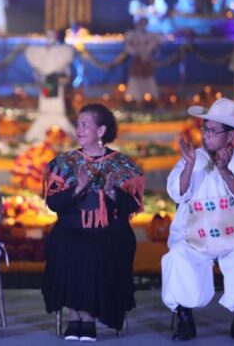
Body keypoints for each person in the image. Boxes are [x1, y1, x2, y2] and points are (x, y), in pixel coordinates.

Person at [162, 98, 234, 342]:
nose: (205, 135)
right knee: (176, 257)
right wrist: (188, 166)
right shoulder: (192, 158)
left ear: (229, 136)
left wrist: (224, 170)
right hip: (195, 236)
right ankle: (185, 319)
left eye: (212, 130)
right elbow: (177, 192)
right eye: (204, 129)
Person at [42, 103, 144, 341]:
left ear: (101, 131)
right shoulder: (65, 163)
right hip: (71, 229)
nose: (79, 129)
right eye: (78, 124)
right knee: (63, 245)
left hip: (110, 232)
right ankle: (74, 316)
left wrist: (110, 192)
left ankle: (88, 318)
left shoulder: (121, 165)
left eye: (85, 124)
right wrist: (78, 187)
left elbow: (132, 205)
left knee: (93, 251)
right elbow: (54, 204)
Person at [124, 17, 164, 102]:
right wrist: (136, 52)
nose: (143, 25)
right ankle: (135, 98)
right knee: (136, 77)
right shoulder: (132, 34)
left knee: (148, 77)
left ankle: (150, 97)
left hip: (146, 60)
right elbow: (128, 47)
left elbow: (160, 41)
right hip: (137, 60)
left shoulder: (151, 35)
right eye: (141, 23)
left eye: (144, 23)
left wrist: (148, 52)